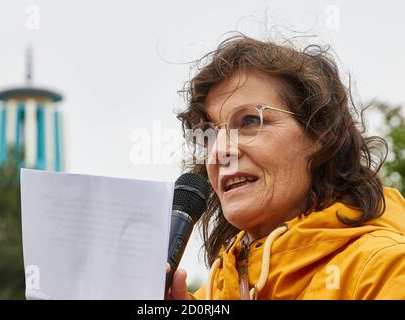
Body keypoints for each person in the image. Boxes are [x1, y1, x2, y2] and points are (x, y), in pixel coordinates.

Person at [166, 34, 405, 300]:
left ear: (321, 135)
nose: (220, 152)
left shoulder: (387, 272)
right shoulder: (205, 298)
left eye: (248, 122)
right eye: (209, 134)